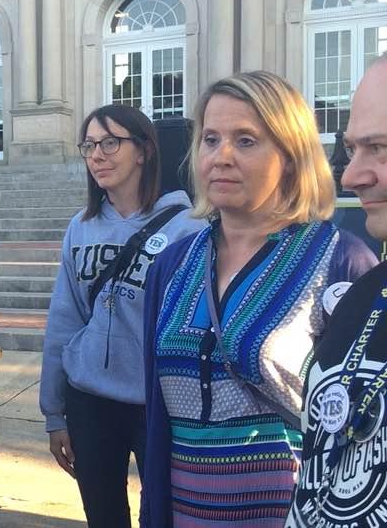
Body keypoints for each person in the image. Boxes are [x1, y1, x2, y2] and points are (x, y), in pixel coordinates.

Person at [141, 70, 378, 527]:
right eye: (211, 139)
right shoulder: (170, 267)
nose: (221, 157)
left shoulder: (343, 263)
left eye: (246, 141)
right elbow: (156, 420)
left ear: (289, 157)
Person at [39, 104, 205, 528]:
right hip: (89, 399)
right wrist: (55, 413)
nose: (97, 155)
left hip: (157, 403)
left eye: (110, 142)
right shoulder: (81, 226)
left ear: (145, 151)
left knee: (163, 515)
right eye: (89, 145)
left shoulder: (188, 227)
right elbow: (64, 316)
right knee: (103, 516)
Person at [286, 56, 387, 527]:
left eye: (381, 149)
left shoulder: (344, 257)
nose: (350, 176)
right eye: (352, 149)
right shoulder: (367, 291)